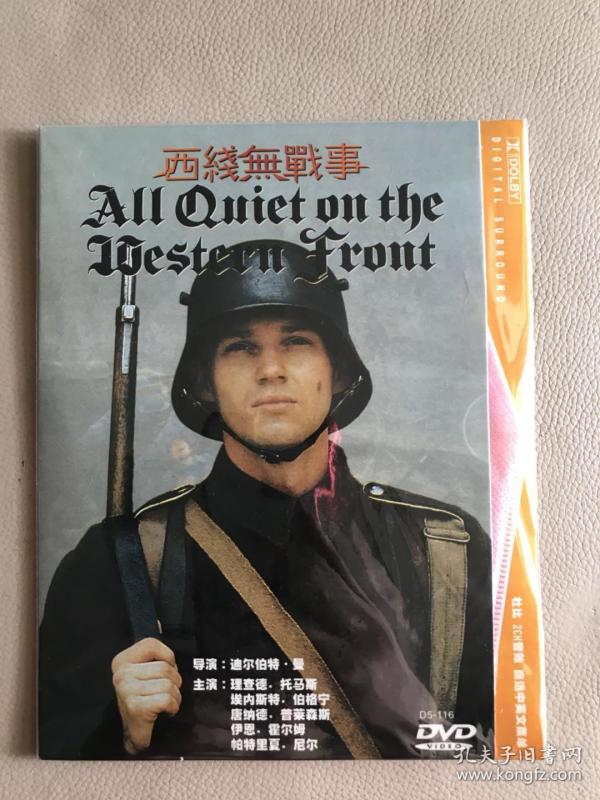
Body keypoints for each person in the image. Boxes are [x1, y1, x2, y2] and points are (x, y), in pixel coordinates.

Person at [39, 239, 493, 759]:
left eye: (296, 341)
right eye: (241, 347)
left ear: (339, 373)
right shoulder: (121, 560)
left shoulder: (446, 550)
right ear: (204, 384)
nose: (271, 369)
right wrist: (123, 733)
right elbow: (49, 753)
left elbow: (501, 744)